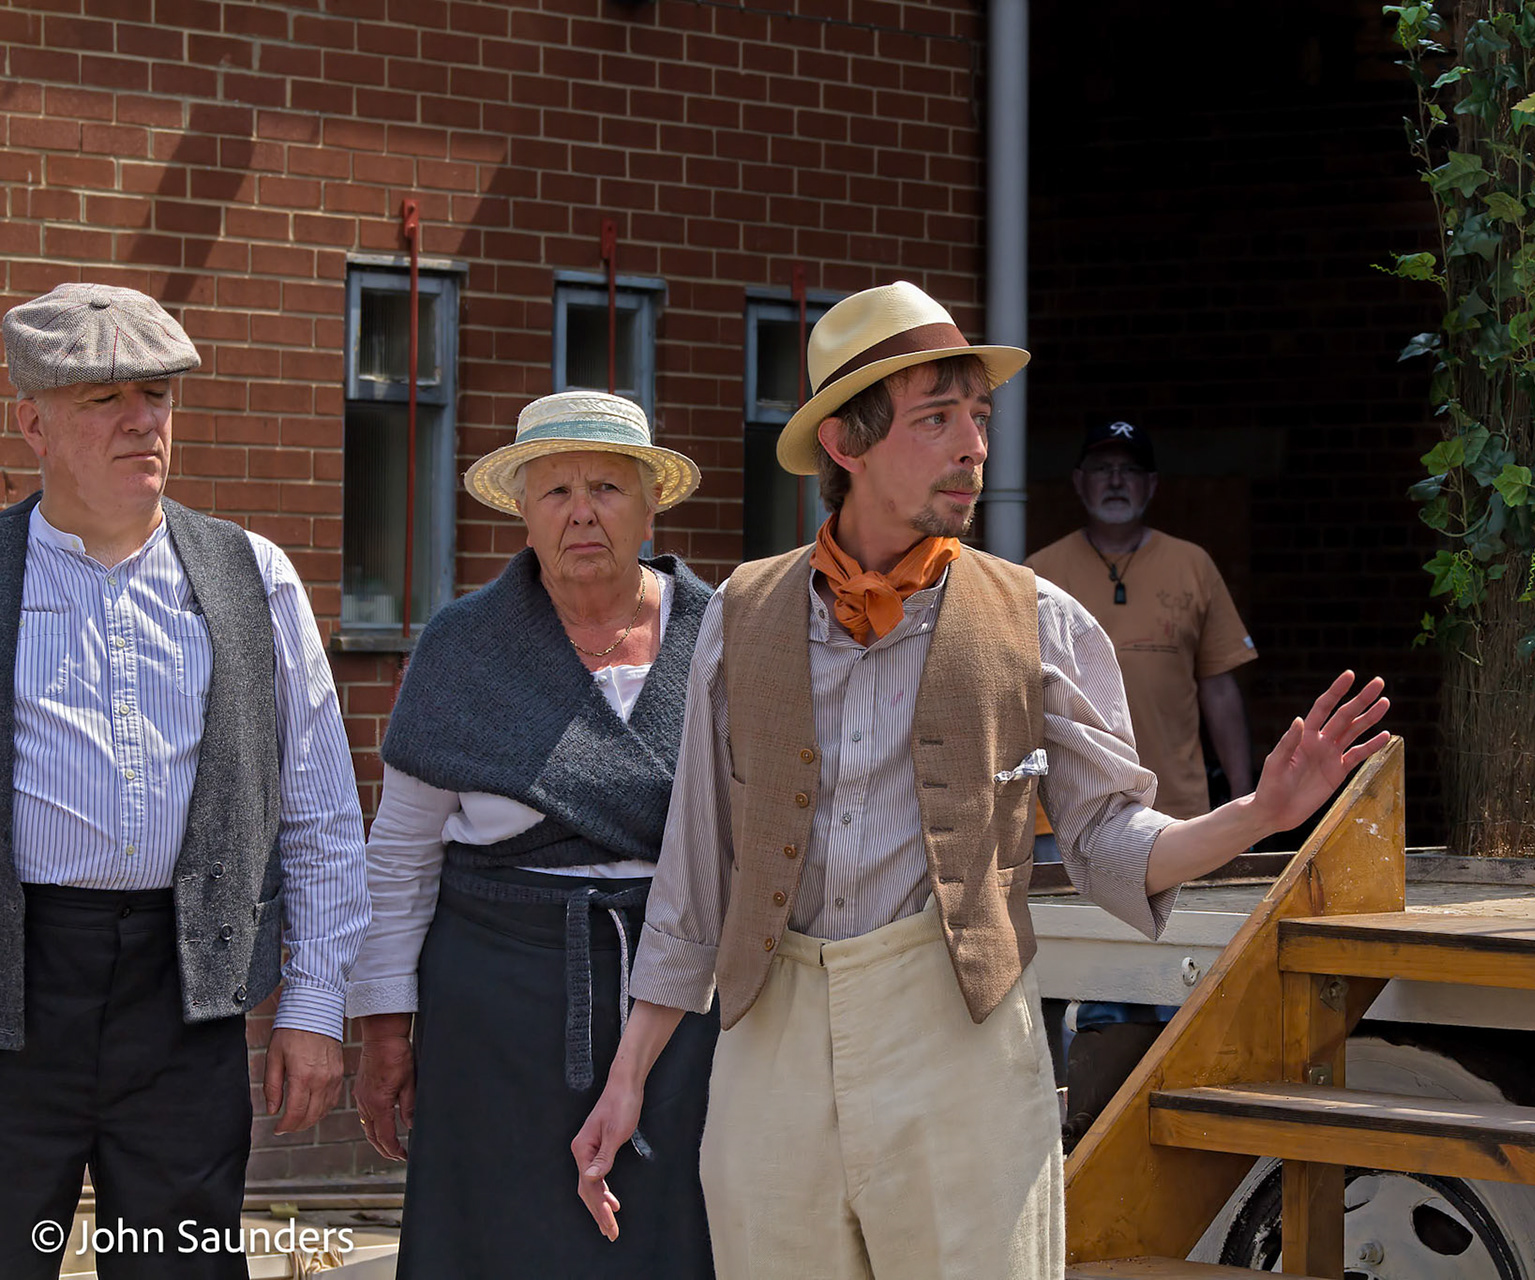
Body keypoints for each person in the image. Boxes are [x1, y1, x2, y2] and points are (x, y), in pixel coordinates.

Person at [570, 280, 1390, 1279]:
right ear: (845, 442)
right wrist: (627, 1081)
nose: (973, 445)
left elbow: (1106, 842)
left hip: (954, 1027)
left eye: (979, 416)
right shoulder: (743, 614)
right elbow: (696, 881)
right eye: (935, 419)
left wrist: (1259, 812)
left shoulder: (1036, 616)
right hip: (770, 1034)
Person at [0, 283, 369, 1278]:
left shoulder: (254, 574)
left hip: (187, 991)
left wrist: (313, 1004)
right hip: (15, 979)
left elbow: (325, 812)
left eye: (156, 393)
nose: (142, 420)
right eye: (102, 398)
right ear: (30, 420)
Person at [348, 391, 719, 1279]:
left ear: (649, 503)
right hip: (493, 1000)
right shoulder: (461, 646)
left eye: (606, 486)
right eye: (554, 492)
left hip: (673, 992)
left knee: (670, 1238)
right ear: (522, 510)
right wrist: (386, 1027)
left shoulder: (720, 635)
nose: (581, 512)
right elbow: (401, 857)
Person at [1028, 419, 1257, 820]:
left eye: (1130, 470)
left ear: (1151, 485)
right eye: (1102, 469)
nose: (1116, 481)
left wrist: (1244, 801)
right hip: (1076, 806)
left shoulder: (1193, 564)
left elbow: (1219, 689)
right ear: (1079, 482)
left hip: (1179, 805)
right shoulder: (1039, 572)